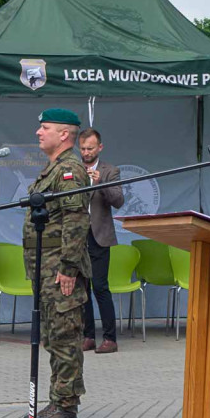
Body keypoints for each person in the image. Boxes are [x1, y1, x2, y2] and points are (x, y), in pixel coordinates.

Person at [23, 108, 91, 418]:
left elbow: (75, 221)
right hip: (45, 269)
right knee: (53, 335)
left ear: (64, 134)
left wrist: (68, 267)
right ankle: (56, 400)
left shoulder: (69, 171)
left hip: (60, 270)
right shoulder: (53, 169)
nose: (39, 132)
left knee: (64, 336)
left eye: (45, 127)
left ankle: (65, 406)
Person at [78, 128, 124, 354]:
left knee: (100, 287)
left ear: (100, 148)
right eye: (83, 149)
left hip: (99, 236)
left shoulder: (110, 171)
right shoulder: (72, 169)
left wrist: (101, 184)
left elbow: (119, 201)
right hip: (77, 236)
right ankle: (87, 336)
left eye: (90, 148)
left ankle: (110, 338)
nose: (86, 153)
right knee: (82, 287)